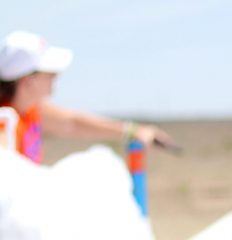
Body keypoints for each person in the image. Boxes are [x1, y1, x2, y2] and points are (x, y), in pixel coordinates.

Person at [0, 30, 174, 163]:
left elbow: (72, 122)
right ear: (27, 81)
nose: (56, 76)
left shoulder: (29, 109)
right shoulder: (4, 123)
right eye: (50, 72)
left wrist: (132, 131)